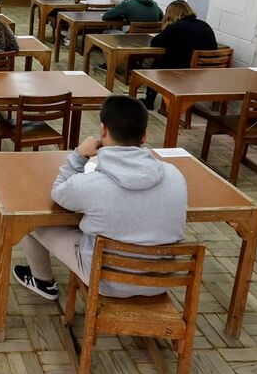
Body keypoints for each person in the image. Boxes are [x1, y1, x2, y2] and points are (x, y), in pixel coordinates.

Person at [12, 95, 187, 300]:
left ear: (103, 130)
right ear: (145, 136)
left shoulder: (90, 185)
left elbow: (58, 193)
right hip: (160, 280)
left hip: (106, 280)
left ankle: (42, 281)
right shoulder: (175, 175)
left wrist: (79, 155)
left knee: (32, 222)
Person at [142, 0, 217, 109]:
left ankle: (149, 101)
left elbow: (155, 43)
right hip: (206, 72)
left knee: (156, 66)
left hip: (184, 72)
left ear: (170, 14)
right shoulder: (204, 25)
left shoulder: (176, 27)